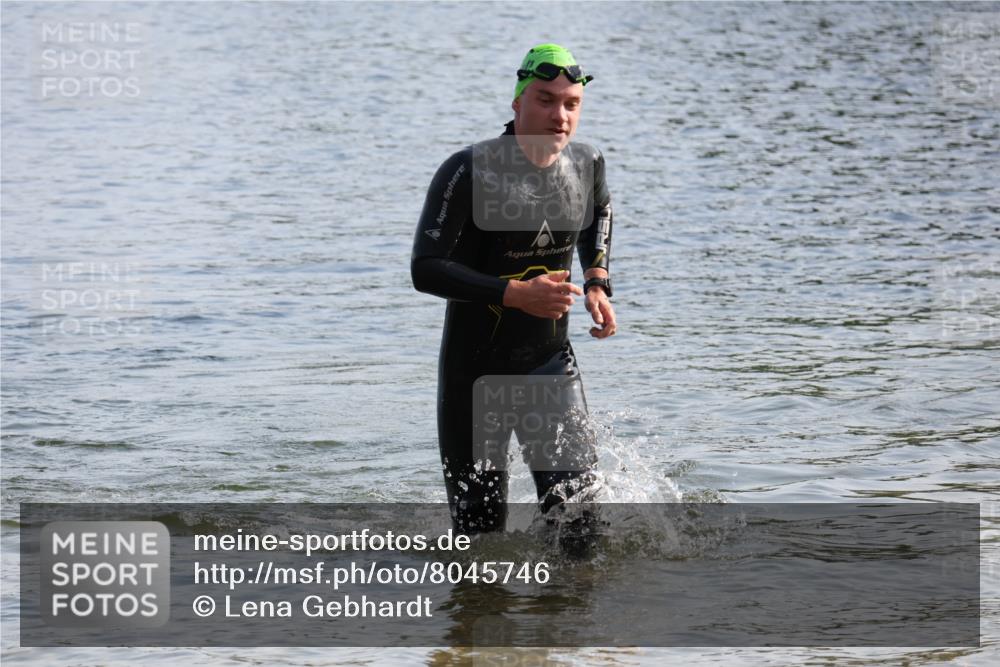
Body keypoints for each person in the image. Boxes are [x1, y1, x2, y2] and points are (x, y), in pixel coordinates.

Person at [411, 44, 616, 535]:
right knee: (480, 538)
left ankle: (564, 609)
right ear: (517, 103)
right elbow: (426, 268)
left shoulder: (586, 165)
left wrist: (596, 280)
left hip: (550, 365)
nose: (559, 115)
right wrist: (514, 294)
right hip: (474, 377)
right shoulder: (468, 170)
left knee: (580, 522)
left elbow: (599, 215)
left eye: (571, 104)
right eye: (545, 100)